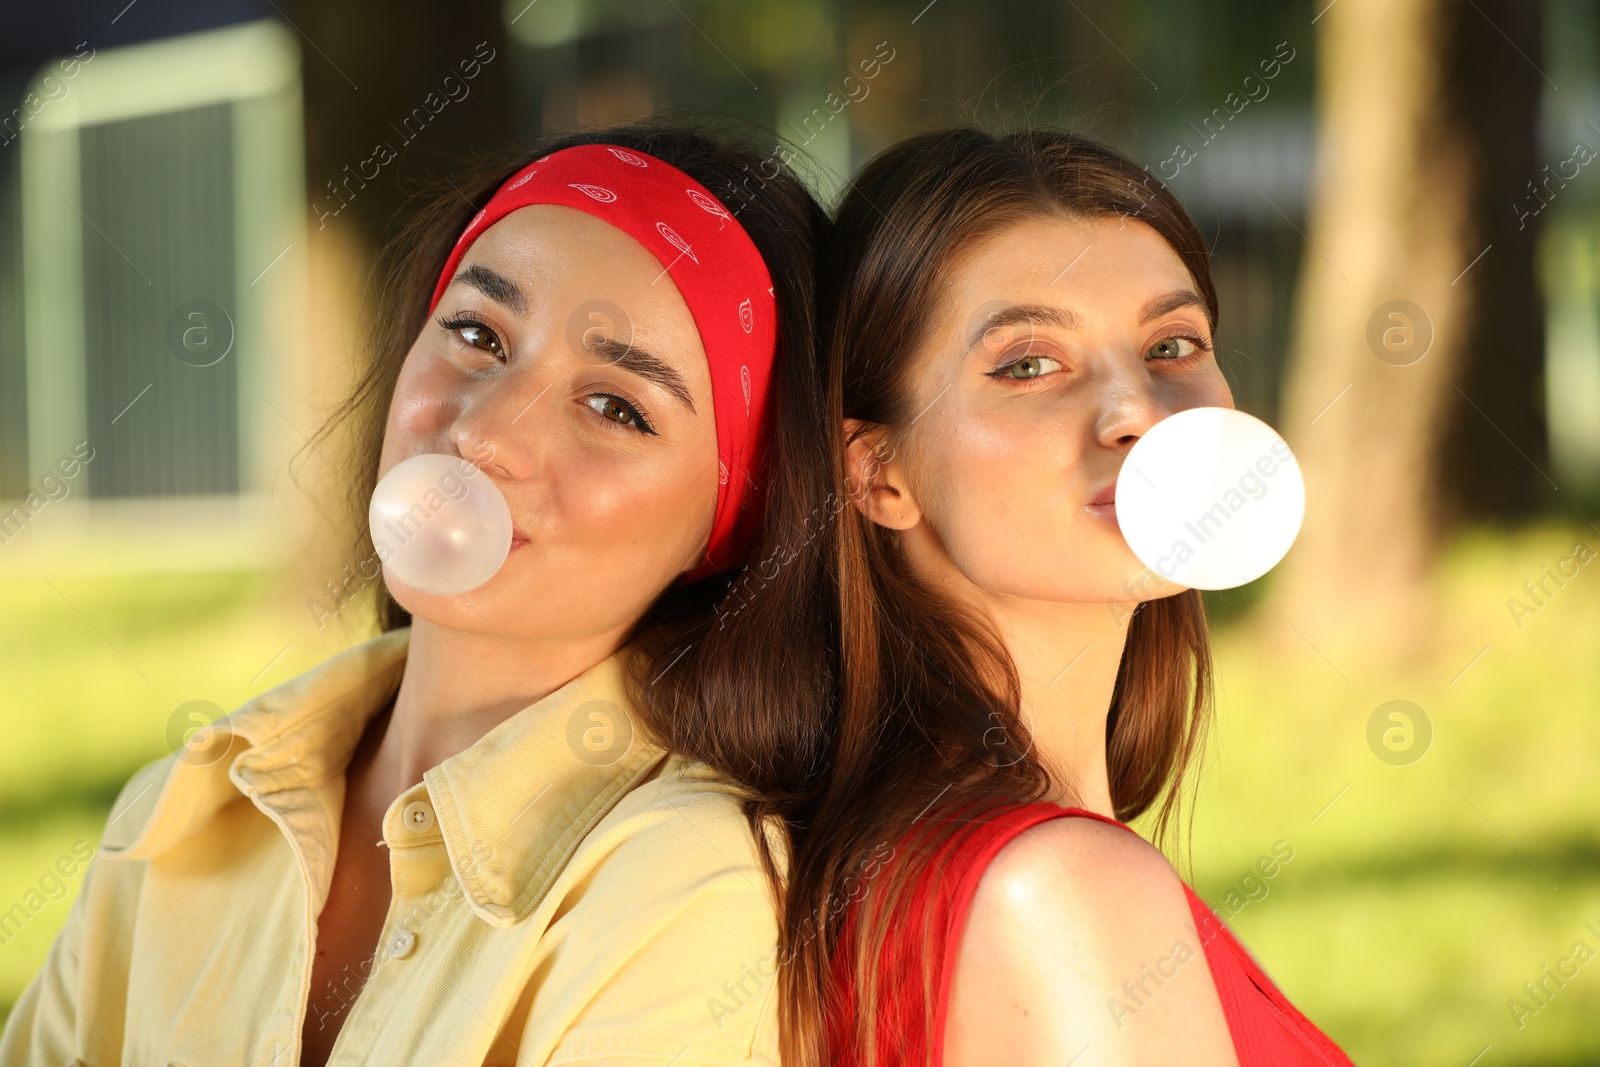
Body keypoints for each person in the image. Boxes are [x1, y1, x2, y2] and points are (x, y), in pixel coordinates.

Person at [0, 122, 828, 1067]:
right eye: (478, 333)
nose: (484, 433)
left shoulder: (692, 892)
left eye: (616, 406)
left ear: (731, 520)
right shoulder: (180, 812)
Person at [764, 127, 1357, 1066]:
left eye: (1171, 343)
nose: (1138, 412)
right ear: (879, 474)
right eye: (1029, 363)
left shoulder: (901, 854)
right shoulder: (1064, 895)